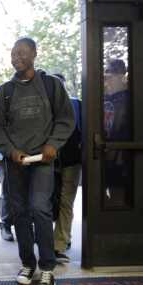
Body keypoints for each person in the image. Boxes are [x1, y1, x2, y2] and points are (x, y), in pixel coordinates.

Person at [0, 37, 75, 285]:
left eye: (22, 52)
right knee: (20, 213)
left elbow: (66, 119)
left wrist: (53, 144)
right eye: (13, 53)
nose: (16, 57)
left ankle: (47, 268)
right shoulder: (5, 92)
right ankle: (28, 264)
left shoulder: (51, 85)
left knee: (40, 209)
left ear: (35, 54)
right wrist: (11, 151)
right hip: (16, 163)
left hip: (43, 162)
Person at [52, 74, 82, 263]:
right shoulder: (47, 107)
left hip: (71, 161)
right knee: (51, 202)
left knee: (65, 202)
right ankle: (57, 240)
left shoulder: (77, 104)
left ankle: (60, 243)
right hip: (50, 162)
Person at [103, 59, 131, 206]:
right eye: (107, 72)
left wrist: (117, 150)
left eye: (111, 73)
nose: (108, 77)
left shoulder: (129, 98)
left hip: (120, 154)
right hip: (103, 151)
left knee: (118, 194)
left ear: (122, 75)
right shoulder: (103, 97)